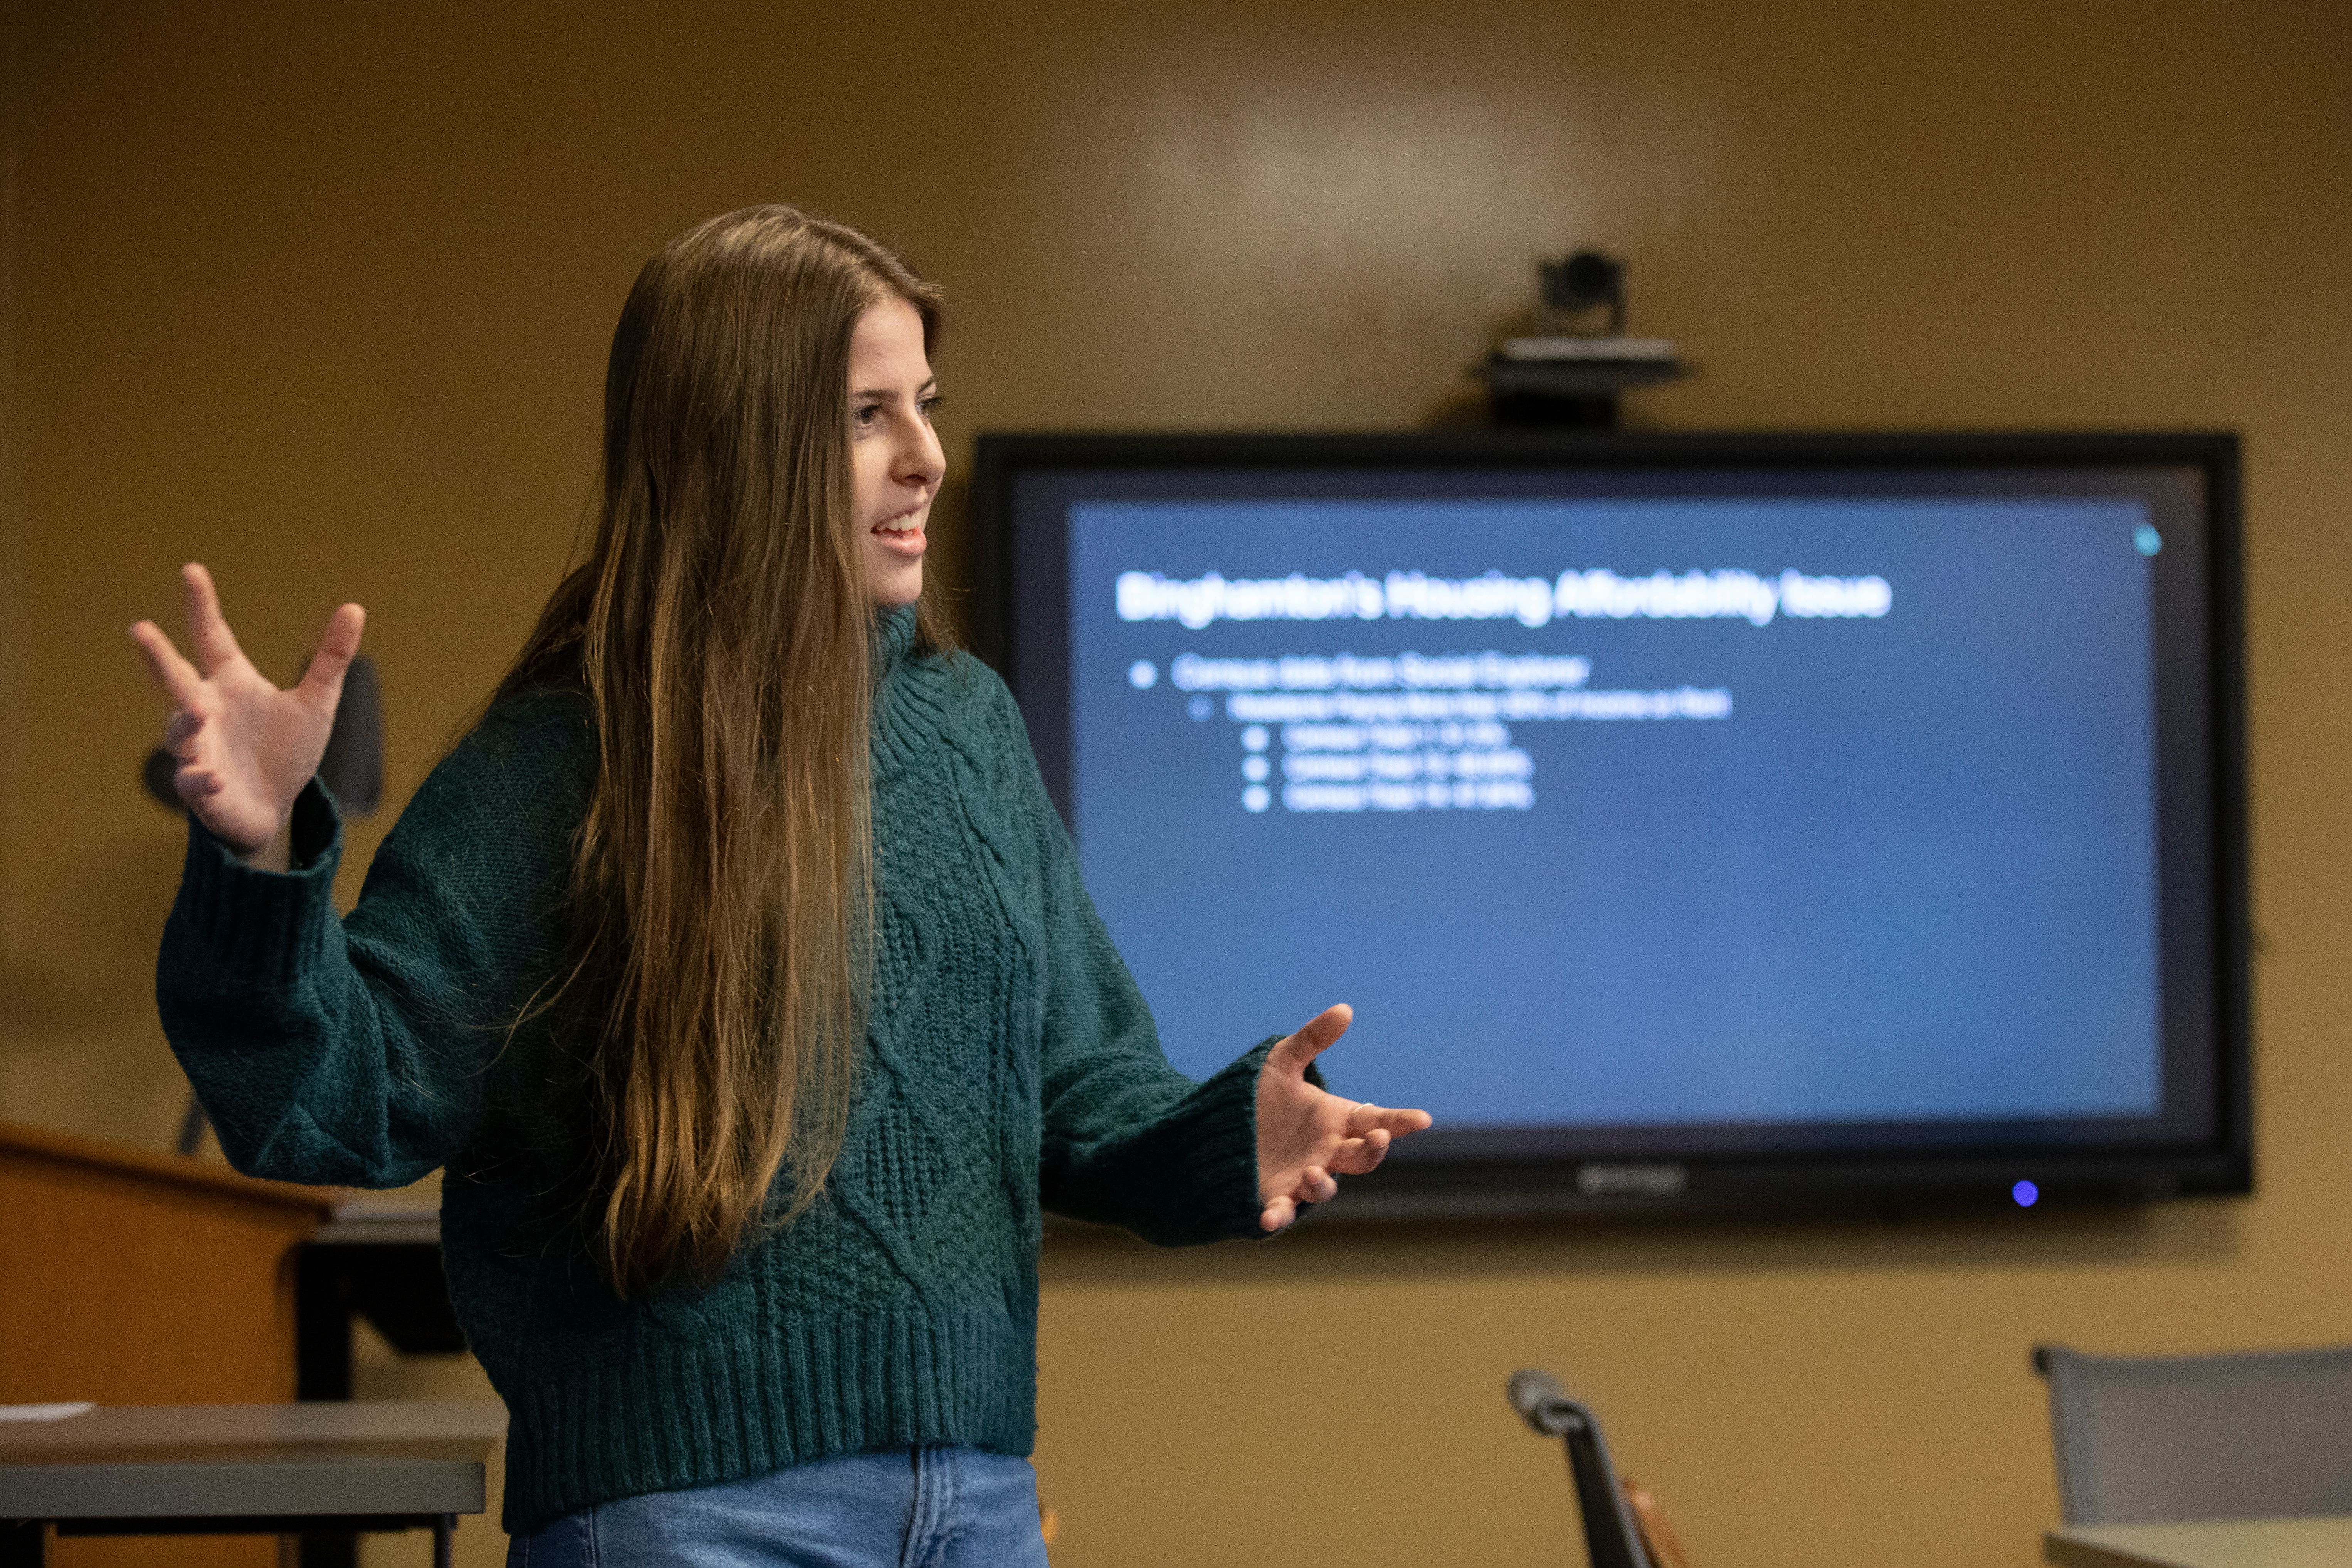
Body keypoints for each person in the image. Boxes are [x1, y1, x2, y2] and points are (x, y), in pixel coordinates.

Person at [131, 205, 1431, 1566]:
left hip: (978, 1506)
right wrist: (259, 853)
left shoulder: (967, 725)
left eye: (926, 403)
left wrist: (1231, 1140)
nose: (927, 457)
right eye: (869, 415)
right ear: (738, 448)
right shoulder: (562, 762)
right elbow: (335, 1112)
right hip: (681, 1519)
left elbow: (1079, 1089)